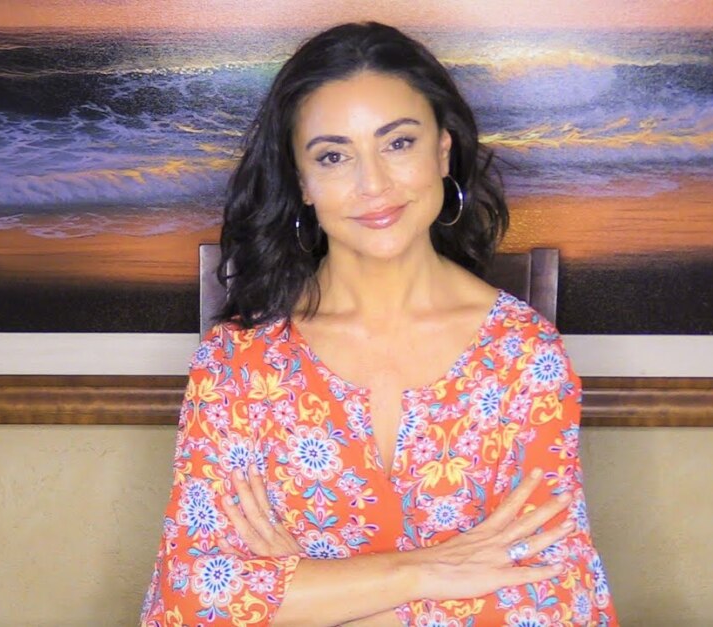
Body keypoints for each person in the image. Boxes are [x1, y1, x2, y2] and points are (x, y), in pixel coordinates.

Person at [140, 22, 618, 626]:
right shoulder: (238, 364)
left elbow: (553, 601)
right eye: (333, 156)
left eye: (398, 143)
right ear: (302, 182)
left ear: (442, 151)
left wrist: (307, 596)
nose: (374, 185)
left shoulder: (523, 356)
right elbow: (190, 599)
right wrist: (426, 573)